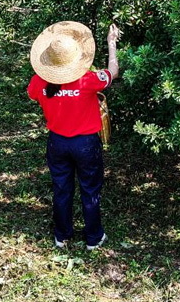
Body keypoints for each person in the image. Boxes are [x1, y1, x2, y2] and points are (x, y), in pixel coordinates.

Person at [28, 21, 121, 251]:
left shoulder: (39, 82)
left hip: (57, 142)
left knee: (61, 188)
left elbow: (33, 95)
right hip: (86, 144)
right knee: (90, 188)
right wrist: (111, 44)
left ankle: (62, 235)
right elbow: (113, 72)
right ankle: (93, 238)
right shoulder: (87, 80)